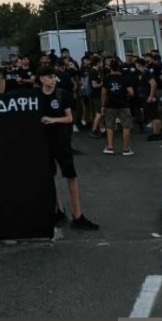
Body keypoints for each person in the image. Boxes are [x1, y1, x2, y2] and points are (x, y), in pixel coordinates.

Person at [35, 66, 99, 231]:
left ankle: (78, 215)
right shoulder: (37, 96)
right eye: (49, 77)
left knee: (71, 175)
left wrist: (53, 120)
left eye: (54, 77)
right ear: (41, 79)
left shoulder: (62, 94)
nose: (53, 80)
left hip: (62, 141)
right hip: (45, 142)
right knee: (50, 176)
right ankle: (59, 210)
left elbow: (69, 118)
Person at [100, 60, 135, 155]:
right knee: (126, 126)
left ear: (110, 67)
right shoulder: (124, 77)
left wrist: (103, 105)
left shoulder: (106, 78)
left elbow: (104, 93)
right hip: (123, 104)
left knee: (109, 126)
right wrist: (125, 95)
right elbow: (131, 92)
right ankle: (126, 148)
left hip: (110, 104)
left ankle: (110, 147)